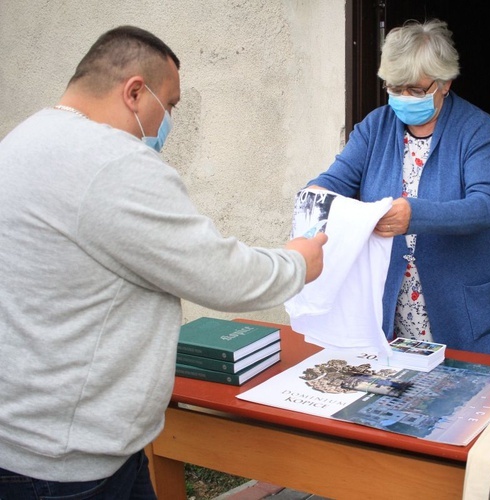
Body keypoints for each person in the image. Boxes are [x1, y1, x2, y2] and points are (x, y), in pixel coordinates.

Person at [0, 26, 327, 498]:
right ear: (135, 92)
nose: (169, 121)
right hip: (67, 463)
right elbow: (222, 274)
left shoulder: (23, 140)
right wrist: (299, 262)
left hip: (33, 436)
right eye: (169, 105)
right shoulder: (114, 164)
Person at [306, 19, 490, 356]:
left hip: (460, 303)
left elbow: (485, 205)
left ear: (444, 82)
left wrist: (414, 214)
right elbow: (336, 179)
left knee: (469, 399)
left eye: (415, 90)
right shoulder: (376, 127)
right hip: (395, 299)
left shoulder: (477, 129)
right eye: (394, 87)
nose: (403, 98)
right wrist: (315, 195)